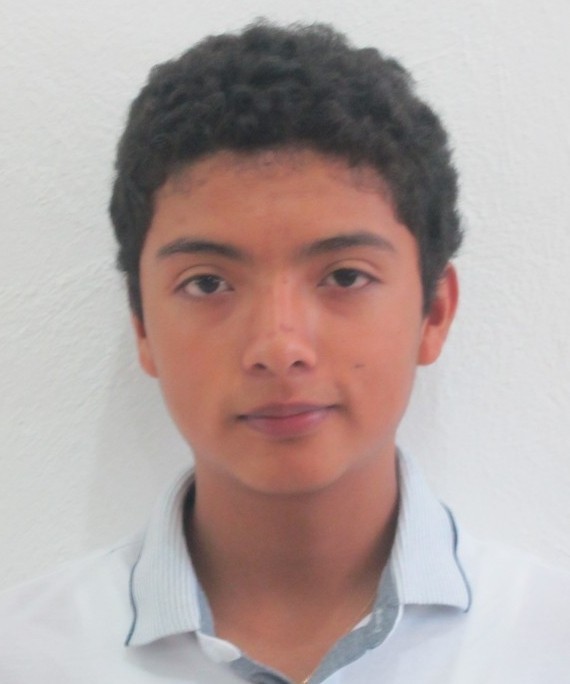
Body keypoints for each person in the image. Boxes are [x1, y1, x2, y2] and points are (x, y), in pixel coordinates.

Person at [1, 20, 569, 684]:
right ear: (143, 327)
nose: (278, 348)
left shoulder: (547, 644)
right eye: (207, 283)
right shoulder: (25, 656)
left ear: (434, 312)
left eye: (345, 276)